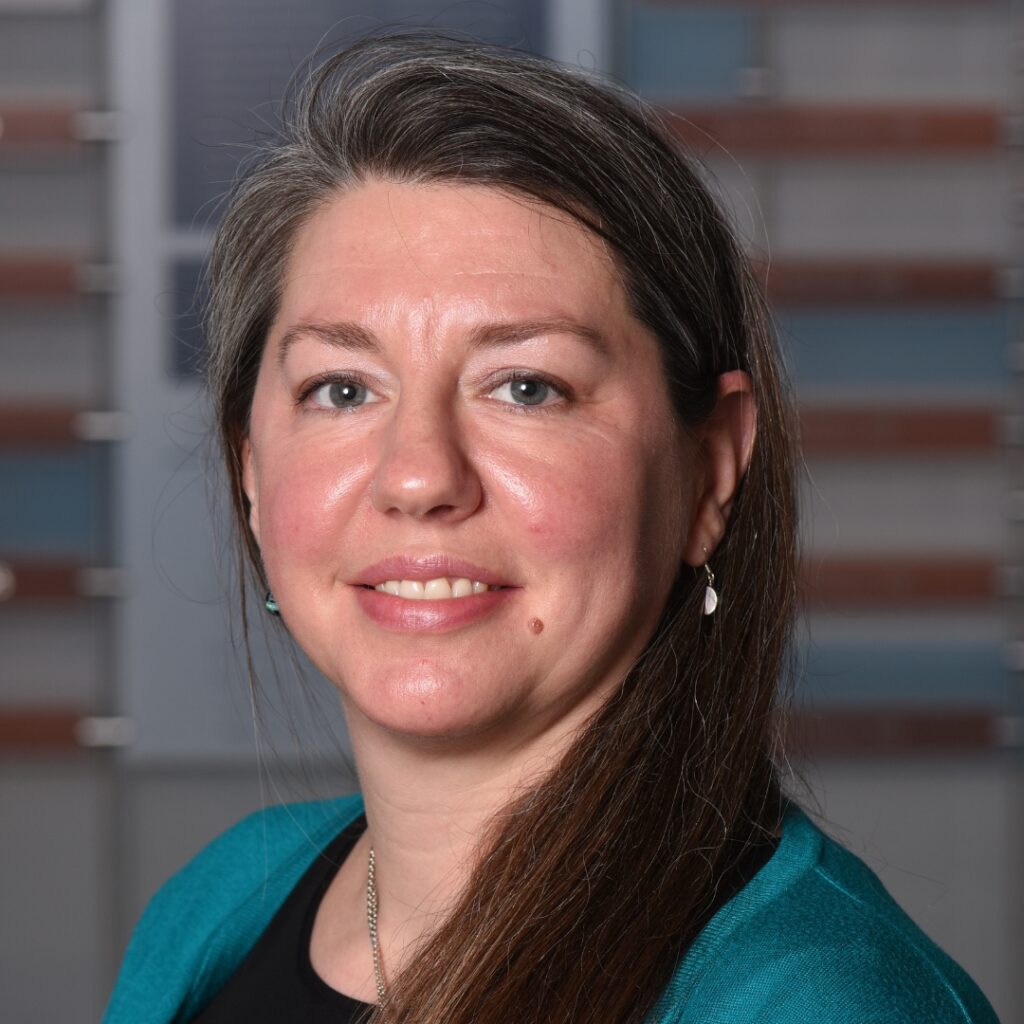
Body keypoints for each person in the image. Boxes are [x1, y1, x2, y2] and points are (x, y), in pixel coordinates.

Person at [103, 32, 999, 1024]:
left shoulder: (817, 1002)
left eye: (525, 386)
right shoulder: (219, 900)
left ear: (709, 472)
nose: (418, 476)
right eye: (342, 387)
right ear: (251, 471)